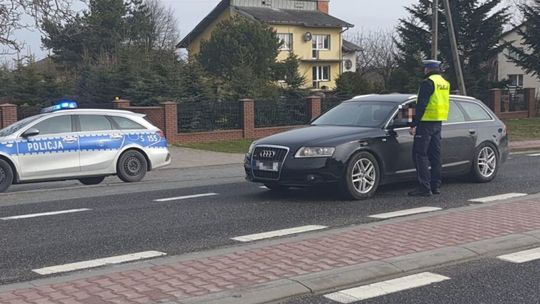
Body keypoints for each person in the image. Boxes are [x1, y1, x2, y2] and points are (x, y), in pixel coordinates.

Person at [408, 60, 450, 197]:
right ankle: (435, 186)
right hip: (438, 122)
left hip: (426, 123)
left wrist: (414, 123)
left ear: (428, 69)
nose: (424, 71)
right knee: (435, 155)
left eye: (425, 68)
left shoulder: (428, 83)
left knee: (420, 154)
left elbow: (421, 105)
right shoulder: (444, 83)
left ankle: (424, 187)